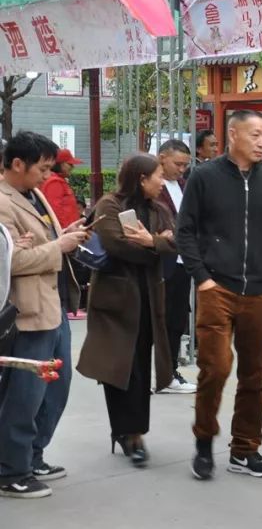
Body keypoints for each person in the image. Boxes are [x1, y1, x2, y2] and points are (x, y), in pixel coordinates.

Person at [177, 110, 262, 481]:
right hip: (218, 286)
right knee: (215, 368)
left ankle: (245, 449)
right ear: (233, 134)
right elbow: (185, 232)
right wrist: (202, 278)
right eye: (255, 135)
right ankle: (203, 441)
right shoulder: (204, 175)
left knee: (254, 374)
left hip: (261, 289)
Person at [0, 131, 89, 499]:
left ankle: (33, 455)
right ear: (17, 164)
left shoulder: (33, 193)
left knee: (55, 390)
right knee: (24, 394)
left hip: (54, 308)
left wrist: (63, 234)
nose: (46, 176)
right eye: (42, 168)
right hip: (27, 311)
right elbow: (11, 261)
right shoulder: (3, 201)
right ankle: (10, 470)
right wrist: (59, 245)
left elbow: (40, 243)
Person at [76, 153, 177, 466]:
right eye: (159, 176)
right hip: (115, 302)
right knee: (118, 369)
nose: (163, 182)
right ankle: (127, 433)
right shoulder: (109, 205)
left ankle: (133, 431)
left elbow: (176, 244)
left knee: (140, 367)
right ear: (141, 179)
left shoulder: (159, 209)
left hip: (148, 298)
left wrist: (153, 243)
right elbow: (116, 244)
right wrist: (153, 246)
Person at [155, 139, 197, 394]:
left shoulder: (182, 185)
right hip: (162, 260)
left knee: (176, 319)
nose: (182, 169)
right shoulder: (153, 186)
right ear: (162, 158)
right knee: (162, 320)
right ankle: (164, 373)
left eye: (185, 165)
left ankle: (168, 371)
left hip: (182, 261)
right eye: (178, 164)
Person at [41, 148, 83, 313]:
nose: (72, 168)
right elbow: (54, 210)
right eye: (69, 164)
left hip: (68, 234)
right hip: (64, 236)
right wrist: (64, 232)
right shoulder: (54, 182)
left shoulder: (57, 181)